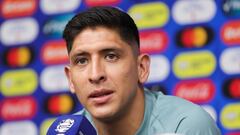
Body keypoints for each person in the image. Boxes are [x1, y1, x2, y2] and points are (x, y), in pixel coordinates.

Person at [52, 6, 221, 135]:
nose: (96, 75)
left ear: (141, 68)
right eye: (82, 61)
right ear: (70, 79)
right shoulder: (68, 132)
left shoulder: (184, 126)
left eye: (111, 56)